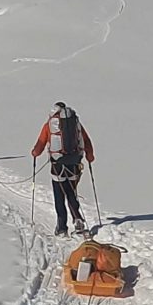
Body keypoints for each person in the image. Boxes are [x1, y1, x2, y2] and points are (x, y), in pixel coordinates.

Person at [31, 101, 94, 236]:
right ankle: (78, 219)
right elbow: (86, 139)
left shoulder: (50, 125)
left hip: (58, 164)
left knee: (60, 195)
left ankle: (61, 227)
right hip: (75, 162)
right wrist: (90, 155)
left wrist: (35, 153)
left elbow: (41, 143)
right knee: (71, 192)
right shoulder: (75, 123)